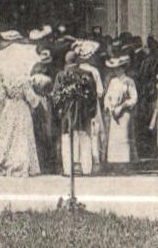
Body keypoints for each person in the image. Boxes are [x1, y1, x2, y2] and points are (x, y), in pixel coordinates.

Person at [0, 32, 41, 177]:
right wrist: (37, 100)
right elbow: (32, 99)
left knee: (6, 134)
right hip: (21, 108)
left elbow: (1, 96)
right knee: (21, 135)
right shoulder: (23, 78)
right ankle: (21, 164)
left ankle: (4, 161)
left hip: (8, 107)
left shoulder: (4, 72)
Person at [55, 43, 100, 175]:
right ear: (77, 60)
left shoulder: (61, 75)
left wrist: (59, 111)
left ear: (66, 61)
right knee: (85, 138)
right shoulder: (87, 74)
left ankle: (68, 170)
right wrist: (92, 112)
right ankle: (87, 169)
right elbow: (93, 95)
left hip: (67, 111)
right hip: (83, 111)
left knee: (66, 138)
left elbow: (56, 96)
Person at [103, 51, 138, 166]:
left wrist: (123, 106)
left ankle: (125, 164)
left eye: (119, 68)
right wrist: (109, 106)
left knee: (124, 136)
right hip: (114, 113)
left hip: (124, 113)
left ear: (123, 68)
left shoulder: (129, 81)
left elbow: (134, 98)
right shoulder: (113, 81)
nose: (116, 71)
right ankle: (115, 163)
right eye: (115, 69)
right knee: (114, 138)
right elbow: (107, 96)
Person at [30, 46, 57, 173]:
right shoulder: (49, 76)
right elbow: (51, 91)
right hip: (45, 102)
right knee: (47, 129)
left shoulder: (33, 74)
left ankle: (40, 162)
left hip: (35, 102)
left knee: (38, 130)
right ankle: (49, 163)